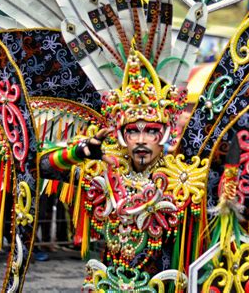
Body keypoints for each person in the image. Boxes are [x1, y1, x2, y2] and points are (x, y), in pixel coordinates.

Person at [38, 50, 196, 290]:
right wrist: (80, 152)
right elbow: (42, 167)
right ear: (122, 136)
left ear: (164, 134)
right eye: (133, 131)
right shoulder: (104, 174)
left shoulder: (181, 181)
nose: (141, 140)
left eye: (151, 131)